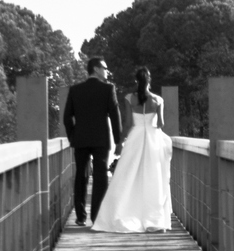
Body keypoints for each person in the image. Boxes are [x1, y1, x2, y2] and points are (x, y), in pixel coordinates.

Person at [92, 66, 173, 233]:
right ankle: (154, 221)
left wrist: (120, 142)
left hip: (135, 138)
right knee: (153, 177)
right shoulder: (158, 100)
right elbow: (161, 124)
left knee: (127, 176)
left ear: (136, 81)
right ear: (149, 80)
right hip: (152, 140)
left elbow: (129, 124)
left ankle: (125, 213)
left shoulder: (129, 98)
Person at [62, 58, 123, 226]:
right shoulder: (108, 89)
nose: (107, 71)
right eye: (105, 68)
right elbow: (114, 115)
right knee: (100, 176)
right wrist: (118, 141)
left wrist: (72, 136)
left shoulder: (75, 90)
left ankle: (81, 216)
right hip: (100, 139)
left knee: (81, 176)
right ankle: (96, 216)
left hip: (80, 139)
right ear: (96, 69)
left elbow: (67, 117)